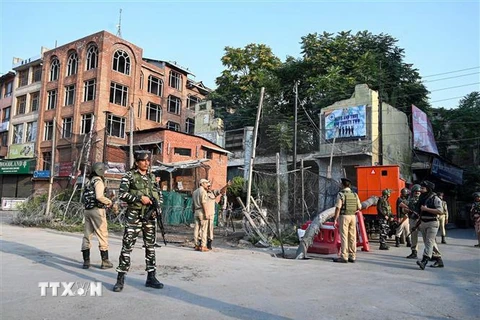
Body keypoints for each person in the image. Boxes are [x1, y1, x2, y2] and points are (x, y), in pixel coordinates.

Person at [113, 151, 164, 292]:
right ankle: (120, 278)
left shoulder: (152, 177)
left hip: (149, 217)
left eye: (148, 160)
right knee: (127, 247)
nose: (147, 163)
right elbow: (122, 194)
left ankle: (151, 277)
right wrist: (139, 198)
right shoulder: (129, 176)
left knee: (150, 247)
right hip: (134, 216)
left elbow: (159, 195)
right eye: (144, 160)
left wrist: (157, 208)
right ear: (137, 162)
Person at [81, 162, 113, 269]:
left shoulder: (88, 181)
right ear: (100, 171)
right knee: (102, 234)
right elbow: (99, 196)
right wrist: (108, 201)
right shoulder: (98, 181)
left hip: (87, 210)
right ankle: (105, 261)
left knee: (87, 235)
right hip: (97, 210)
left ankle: (86, 261)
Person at [416, 180, 444, 270]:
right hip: (423, 222)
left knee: (429, 242)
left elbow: (440, 211)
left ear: (428, 189)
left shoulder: (435, 198)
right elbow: (420, 210)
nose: (420, 190)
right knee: (429, 242)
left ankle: (424, 261)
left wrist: (427, 209)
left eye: (422, 188)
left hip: (432, 223)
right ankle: (439, 260)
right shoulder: (422, 198)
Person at [333, 178, 362, 263]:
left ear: (342, 185)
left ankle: (344, 256)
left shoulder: (341, 194)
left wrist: (335, 219)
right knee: (352, 236)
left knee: (344, 236)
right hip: (353, 216)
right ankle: (352, 255)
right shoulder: (355, 194)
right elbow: (359, 207)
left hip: (344, 216)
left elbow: (338, 208)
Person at [205, 180, 230, 250]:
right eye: (207, 186)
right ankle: (200, 244)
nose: (209, 187)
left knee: (210, 229)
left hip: (210, 214)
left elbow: (221, 191)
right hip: (202, 214)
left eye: (209, 186)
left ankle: (209, 244)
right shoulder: (200, 193)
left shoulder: (212, 193)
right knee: (201, 230)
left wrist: (226, 185)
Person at [192, 179, 211, 252]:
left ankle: (196, 245)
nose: (207, 185)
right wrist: (206, 213)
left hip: (196, 211)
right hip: (201, 211)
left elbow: (193, 204)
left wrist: (193, 211)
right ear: (202, 183)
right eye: (206, 183)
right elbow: (203, 203)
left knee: (196, 229)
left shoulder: (195, 192)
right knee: (204, 229)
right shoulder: (203, 191)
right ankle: (203, 246)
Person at [405, 184, 422, 259]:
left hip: (422, 219)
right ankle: (414, 252)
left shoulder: (423, 199)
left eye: (418, 191)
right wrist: (405, 210)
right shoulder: (409, 200)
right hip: (413, 219)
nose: (417, 193)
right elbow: (404, 209)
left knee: (428, 238)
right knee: (414, 236)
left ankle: (434, 254)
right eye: (416, 191)